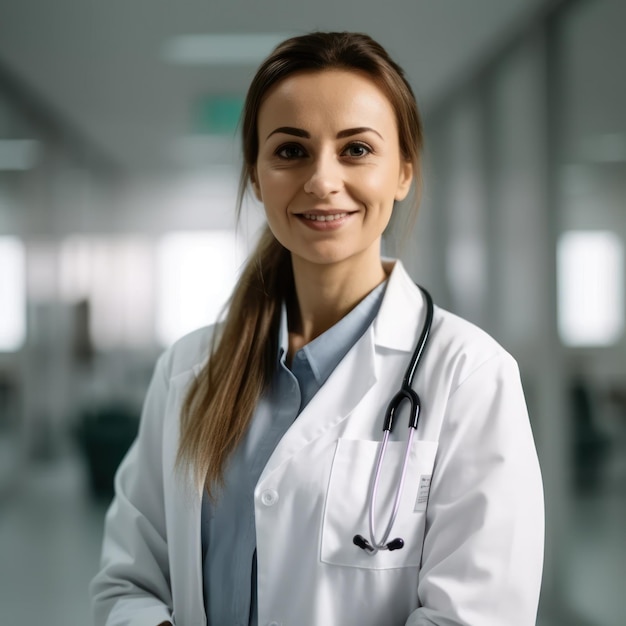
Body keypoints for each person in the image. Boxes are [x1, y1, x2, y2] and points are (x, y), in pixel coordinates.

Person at [91, 31, 544, 626]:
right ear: (256, 175)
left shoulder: (470, 376)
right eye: (290, 151)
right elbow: (128, 581)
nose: (322, 181)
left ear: (403, 171)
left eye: (356, 150)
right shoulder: (187, 369)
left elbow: (478, 616)